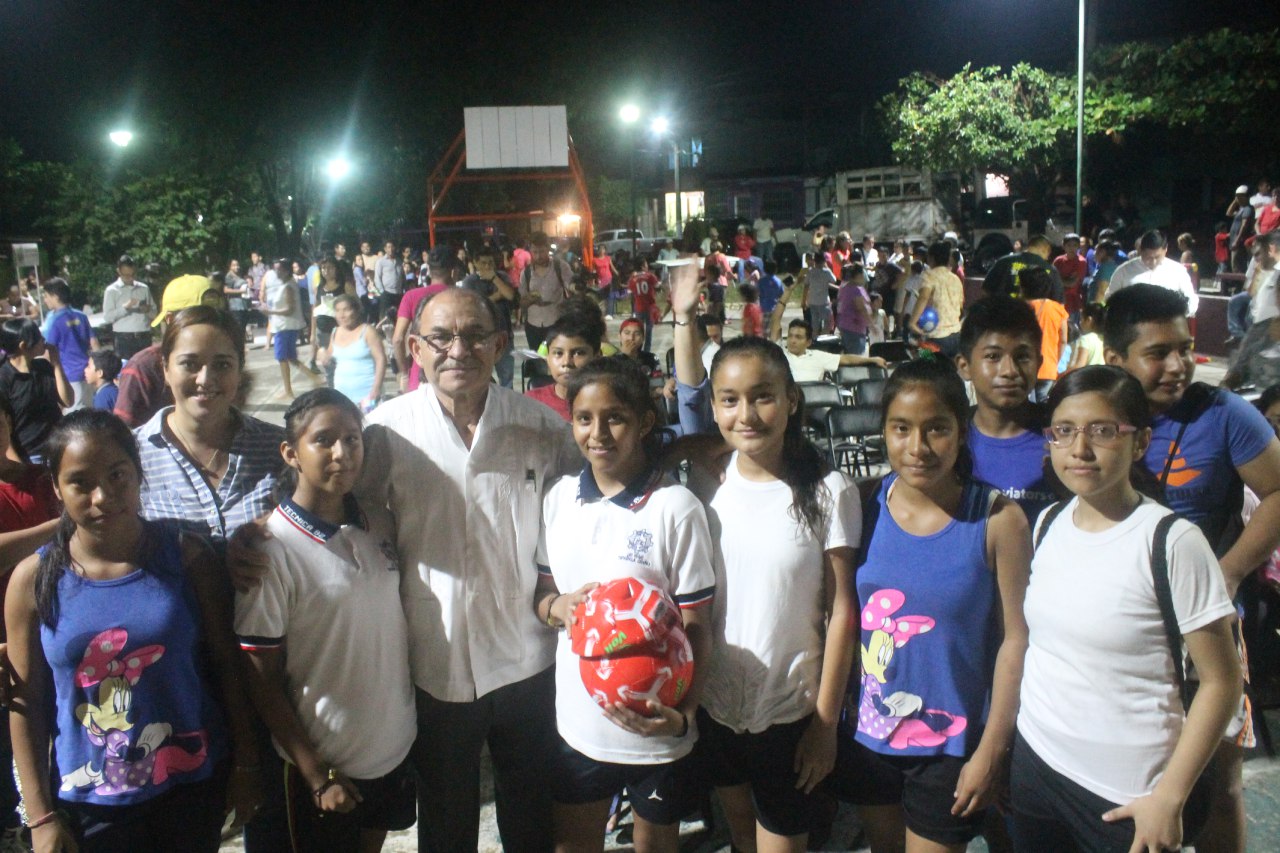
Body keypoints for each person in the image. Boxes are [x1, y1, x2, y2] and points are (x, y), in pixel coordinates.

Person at [329, 287, 578, 852]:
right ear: (415, 348)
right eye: (440, 338)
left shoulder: (542, 428)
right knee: (445, 819)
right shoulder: (385, 432)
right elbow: (349, 518)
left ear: (500, 345)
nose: (458, 350)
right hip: (434, 662)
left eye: (474, 336)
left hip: (527, 656)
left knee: (530, 813)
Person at [5, 410, 262, 852]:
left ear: (138, 472)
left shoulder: (187, 558)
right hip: (88, 803)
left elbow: (227, 666)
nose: (103, 496)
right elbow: (26, 704)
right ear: (56, 488)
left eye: (117, 475)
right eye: (80, 482)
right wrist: (40, 816)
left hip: (190, 789)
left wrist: (246, 765)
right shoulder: (33, 579)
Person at [1010, 366, 1241, 853]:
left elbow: (1222, 681)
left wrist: (1170, 798)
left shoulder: (1172, 542)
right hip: (1038, 764)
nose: (1080, 449)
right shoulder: (1049, 522)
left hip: (1127, 792)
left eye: (1103, 431)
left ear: (1141, 443)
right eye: (1064, 430)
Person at [667, 320, 858, 853]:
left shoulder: (828, 489)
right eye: (729, 400)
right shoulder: (704, 483)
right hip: (716, 704)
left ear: (791, 400)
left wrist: (824, 725)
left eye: (762, 397)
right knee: (741, 837)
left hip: (790, 712)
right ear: (714, 407)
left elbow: (842, 611)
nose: (746, 415)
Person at [1104, 284, 1280, 853]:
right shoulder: (1095, 415)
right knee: (1124, 779)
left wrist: (1227, 572)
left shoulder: (1225, 414)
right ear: (1116, 359)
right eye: (1158, 353)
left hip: (1207, 631)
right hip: (1120, 628)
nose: (1178, 365)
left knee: (1220, 782)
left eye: (1184, 348)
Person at [830, 358, 1030, 853]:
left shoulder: (998, 520)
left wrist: (993, 748)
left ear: (961, 432)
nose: (917, 447)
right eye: (901, 428)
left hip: (952, 745)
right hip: (869, 733)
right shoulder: (863, 504)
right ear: (884, 431)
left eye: (936, 428)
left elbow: (1016, 640)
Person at [535, 357, 714, 853]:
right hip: (580, 726)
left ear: (645, 422)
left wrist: (686, 714)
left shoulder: (675, 507)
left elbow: (698, 625)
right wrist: (558, 607)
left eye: (615, 418)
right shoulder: (558, 499)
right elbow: (542, 596)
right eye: (584, 418)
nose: (598, 433)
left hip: (657, 727)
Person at [236, 389, 416, 853]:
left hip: (390, 751)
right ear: (290, 453)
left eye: (353, 439)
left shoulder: (379, 522)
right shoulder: (270, 551)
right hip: (326, 765)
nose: (342, 453)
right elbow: (260, 677)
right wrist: (315, 772)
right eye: (324, 440)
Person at [955, 296, 1057, 523]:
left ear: (1039, 364)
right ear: (964, 366)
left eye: (1022, 357)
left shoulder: (1065, 438)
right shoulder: (950, 439)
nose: (1009, 370)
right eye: (993, 356)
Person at [0, 317, 74, 462]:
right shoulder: (4, 378)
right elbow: (3, 426)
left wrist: (56, 364)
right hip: (30, 456)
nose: (44, 340)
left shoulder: (43, 367)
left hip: (58, 447)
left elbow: (68, 401)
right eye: (39, 337)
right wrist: (19, 465)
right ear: (23, 346)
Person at [315, 294, 386, 413]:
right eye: (338, 311)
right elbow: (328, 357)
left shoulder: (367, 331)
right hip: (342, 396)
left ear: (356, 311)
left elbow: (381, 359)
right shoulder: (335, 332)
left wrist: (376, 388)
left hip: (367, 394)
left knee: (369, 423)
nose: (342, 315)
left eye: (346, 310)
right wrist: (321, 352)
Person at [262, 259, 321, 399]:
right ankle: (314, 378)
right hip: (285, 326)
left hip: (284, 326)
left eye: (279, 269)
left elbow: (290, 309)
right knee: (291, 358)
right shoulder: (287, 284)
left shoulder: (288, 286)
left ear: (286, 271)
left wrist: (270, 312)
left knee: (283, 358)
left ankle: (288, 390)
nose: (276, 272)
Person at [526, 314, 603, 422]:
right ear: (547, 357)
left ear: (597, 357)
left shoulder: (608, 401)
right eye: (558, 353)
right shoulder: (531, 402)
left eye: (578, 353)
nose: (566, 362)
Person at [461, 246, 518, 388]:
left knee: (507, 378)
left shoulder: (501, 277)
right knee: (481, 377)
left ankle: (505, 402)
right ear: (476, 263)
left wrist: (494, 278)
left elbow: (510, 295)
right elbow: (473, 306)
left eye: (491, 263)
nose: (488, 266)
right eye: (484, 263)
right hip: (481, 338)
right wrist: (497, 296)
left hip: (504, 334)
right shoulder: (470, 281)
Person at [1105, 230, 1199, 317]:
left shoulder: (1177, 271)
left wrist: (1177, 314)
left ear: (1165, 250)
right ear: (1140, 250)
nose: (1153, 262)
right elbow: (1110, 298)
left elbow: (1191, 299)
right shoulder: (1124, 271)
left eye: (1157, 257)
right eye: (1148, 257)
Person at [770, 317, 887, 383]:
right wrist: (788, 292)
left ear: (808, 342)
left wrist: (872, 359)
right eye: (790, 336)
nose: (792, 340)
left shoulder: (818, 356)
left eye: (798, 337)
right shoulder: (779, 354)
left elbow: (846, 359)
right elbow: (775, 321)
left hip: (815, 402)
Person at [40, 277, 97, 411]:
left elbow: (48, 350)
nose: (45, 300)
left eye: (46, 296)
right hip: (88, 372)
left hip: (67, 376)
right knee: (89, 411)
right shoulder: (81, 315)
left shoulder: (53, 320)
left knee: (74, 415)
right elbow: (94, 342)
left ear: (55, 296)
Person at [909, 241, 965, 358]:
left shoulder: (929, 276)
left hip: (936, 339)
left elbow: (923, 297)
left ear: (931, 258)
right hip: (957, 337)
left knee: (926, 363)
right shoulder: (955, 279)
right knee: (951, 369)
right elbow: (960, 305)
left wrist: (912, 323)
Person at [1023, 267, 1069, 402]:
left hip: (1024, 367)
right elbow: (1063, 340)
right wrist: (1055, 362)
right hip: (1048, 367)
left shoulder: (1021, 308)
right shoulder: (1058, 309)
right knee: (1043, 404)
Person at [520, 233, 572, 350]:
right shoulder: (526, 273)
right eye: (535, 252)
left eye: (542, 251)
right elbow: (522, 301)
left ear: (548, 248)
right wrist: (529, 300)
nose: (538, 256)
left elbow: (571, 288)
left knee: (557, 354)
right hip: (533, 324)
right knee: (537, 357)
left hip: (556, 322)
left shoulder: (560, 267)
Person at [102, 255, 158, 360]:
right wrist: (125, 308)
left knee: (146, 366)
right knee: (126, 368)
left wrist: (147, 310)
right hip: (124, 339)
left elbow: (155, 314)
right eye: (127, 275)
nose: (130, 278)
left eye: (133, 274)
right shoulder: (112, 290)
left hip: (144, 336)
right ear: (119, 271)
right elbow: (107, 317)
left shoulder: (144, 288)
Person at [982, 235, 1064, 302]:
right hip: (1032, 315)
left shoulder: (1004, 261)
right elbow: (1058, 299)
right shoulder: (1050, 269)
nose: (1047, 258)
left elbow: (986, 289)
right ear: (1045, 249)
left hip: (1003, 312)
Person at [309, 255, 355, 375]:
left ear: (336, 269)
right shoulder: (320, 287)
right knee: (328, 365)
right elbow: (315, 310)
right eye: (323, 268)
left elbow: (356, 306)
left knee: (344, 362)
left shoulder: (345, 286)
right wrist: (313, 333)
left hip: (341, 330)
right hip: (323, 331)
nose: (326, 271)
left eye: (330, 267)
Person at [836, 263, 872, 355]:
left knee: (851, 354)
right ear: (858, 275)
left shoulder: (847, 287)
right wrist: (871, 324)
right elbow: (861, 308)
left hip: (852, 327)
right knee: (855, 356)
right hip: (853, 329)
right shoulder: (855, 289)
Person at [627, 257, 660, 352]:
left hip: (639, 307)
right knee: (649, 330)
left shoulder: (633, 279)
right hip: (650, 307)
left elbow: (630, 292)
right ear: (642, 266)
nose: (647, 266)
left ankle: (638, 349)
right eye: (646, 264)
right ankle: (647, 351)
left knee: (639, 330)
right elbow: (657, 286)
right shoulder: (650, 276)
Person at [1052, 234, 1087, 321]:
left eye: (1075, 245)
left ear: (1078, 246)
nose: (1072, 248)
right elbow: (1052, 279)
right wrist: (1063, 280)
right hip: (1057, 301)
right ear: (1063, 246)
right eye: (1069, 245)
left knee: (1071, 327)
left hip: (1073, 304)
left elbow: (1071, 283)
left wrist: (1058, 279)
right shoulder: (1058, 261)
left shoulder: (1081, 262)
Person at [803, 252, 838, 334]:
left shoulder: (810, 272)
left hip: (812, 301)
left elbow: (806, 283)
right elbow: (834, 280)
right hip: (824, 301)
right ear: (824, 261)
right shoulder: (826, 272)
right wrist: (827, 267)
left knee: (815, 323)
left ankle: (815, 336)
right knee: (827, 323)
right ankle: (824, 336)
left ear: (814, 261)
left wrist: (804, 300)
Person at [1068, 302, 1107, 370]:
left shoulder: (1085, 339)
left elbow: (1080, 365)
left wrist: (1063, 374)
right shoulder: (1103, 341)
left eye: (1081, 319)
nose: (1080, 322)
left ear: (1089, 320)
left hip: (1085, 375)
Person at [1228, 185, 1256, 273]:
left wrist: (1237, 240)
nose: (1238, 199)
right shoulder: (1241, 209)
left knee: (1237, 264)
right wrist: (1235, 201)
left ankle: (1239, 281)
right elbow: (1229, 213)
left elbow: (1244, 225)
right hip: (1234, 239)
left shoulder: (1248, 209)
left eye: (1240, 196)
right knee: (1234, 263)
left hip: (1239, 241)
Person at [592, 248, 620, 318]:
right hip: (601, 280)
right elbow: (594, 270)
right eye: (600, 249)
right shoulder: (595, 260)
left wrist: (617, 273)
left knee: (610, 295)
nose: (601, 251)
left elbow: (612, 267)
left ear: (605, 251)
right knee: (602, 296)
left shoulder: (608, 258)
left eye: (603, 249)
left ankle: (610, 313)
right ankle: (603, 312)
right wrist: (594, 280)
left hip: (608, 278)